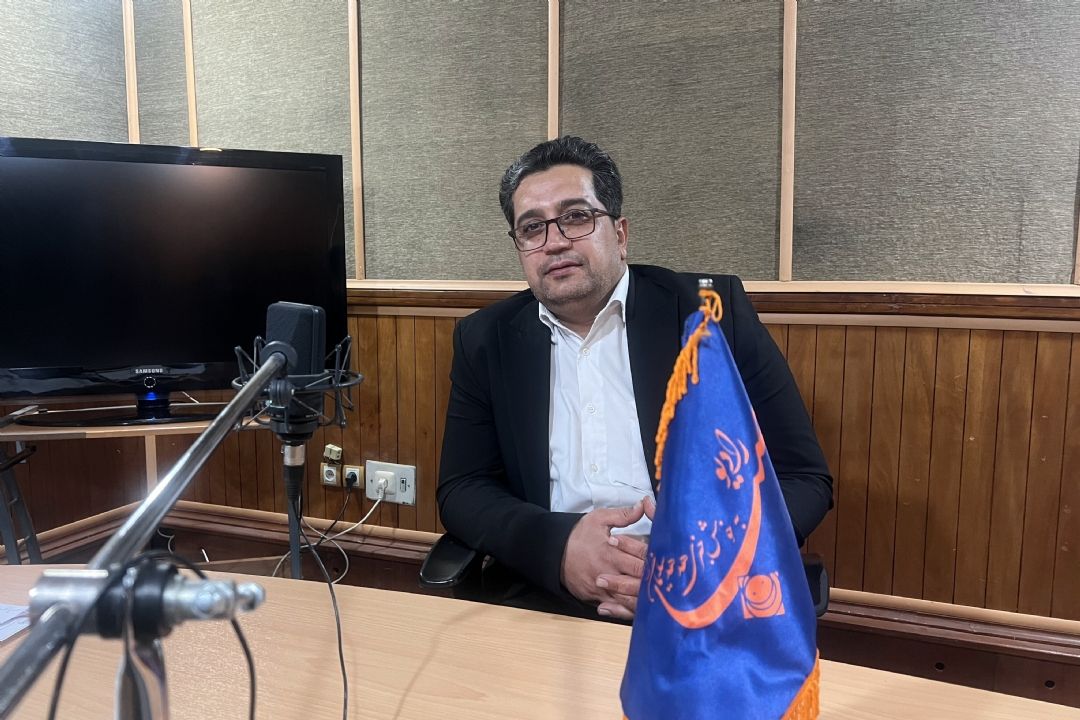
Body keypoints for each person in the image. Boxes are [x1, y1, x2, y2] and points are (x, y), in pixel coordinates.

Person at [437, 136, 832, 621]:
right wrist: (559, 548)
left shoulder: (711, 314)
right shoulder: (486, 339)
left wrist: (707, 554)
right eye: (532, 227)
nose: (554, 241)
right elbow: (464, 487)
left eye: (576, 216)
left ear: (620, 234)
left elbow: (802, 477)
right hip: (546, 592)